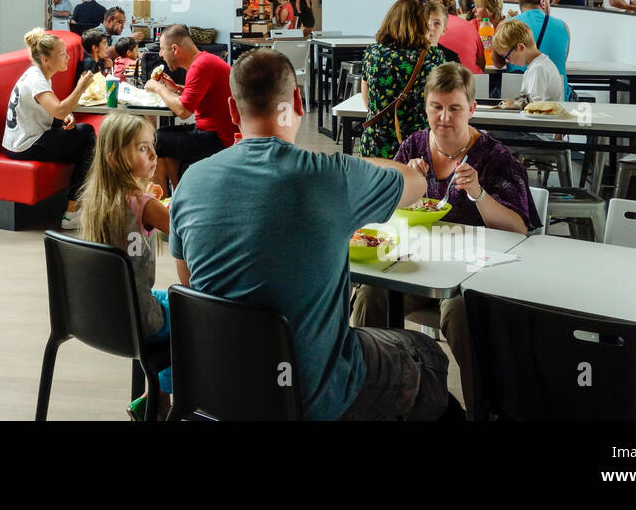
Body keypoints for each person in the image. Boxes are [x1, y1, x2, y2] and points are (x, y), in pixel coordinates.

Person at [171, 48, 450, 420]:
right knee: (426, 354)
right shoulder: (332, 176)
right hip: (313, 396)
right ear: (298, 100)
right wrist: (354, 166)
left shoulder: (191, 180)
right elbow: (416, 181)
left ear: (233, 111)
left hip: (218, 389)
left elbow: (190, 284)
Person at [352, 62, 539, 412]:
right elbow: (382, 212)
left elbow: (519, 229)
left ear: (472, 108)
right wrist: (407, 182)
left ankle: (480, 409)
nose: (444, 117)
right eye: (436, 107)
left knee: (460, 313)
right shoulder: (413, 147)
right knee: (369, 297)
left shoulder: (495, 158)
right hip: (417, 268)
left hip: (471, 274)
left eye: (454, 108)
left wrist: (479, 193)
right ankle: (372, 401)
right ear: (425, 107)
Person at [79, 114, 172, 419]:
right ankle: (160, 400)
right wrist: (155, 204)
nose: (154, 155)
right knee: (190, 313)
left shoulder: (95, 200)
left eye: (152, 146)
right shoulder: (143, 203)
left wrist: (149, 198)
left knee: (169, 300)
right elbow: (183, 230)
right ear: (116, 158)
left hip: (101, 315)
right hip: (140, 320)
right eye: (143, 148)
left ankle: (151, 396)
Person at [3, 28, 97, 230]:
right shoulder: (36, 79)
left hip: (22, 140)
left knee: (85, 143)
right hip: (24, 145)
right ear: (45, 60)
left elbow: (55, 111)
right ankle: (72, 211)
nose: (67, 57)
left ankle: (78, 205)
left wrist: (65, 117)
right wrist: (80, 87)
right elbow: (59, 109)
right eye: (62, 54)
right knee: (88, 134)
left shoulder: (40, 74)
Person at [142, 24, 235, 194]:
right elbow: (198, 96)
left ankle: (173, 198)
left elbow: (183, 111)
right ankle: (171, 196)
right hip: (216, 131)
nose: (161, 54)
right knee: (163, 138)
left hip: (219, 137)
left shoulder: (200, 66)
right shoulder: (204, 61)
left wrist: (158, 88)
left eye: (162, 49)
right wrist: (176, 89)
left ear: (175, 49)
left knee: (159, 139)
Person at [359, 0, 448, 159]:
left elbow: (366, 99)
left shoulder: (373, 52)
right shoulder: (433, 57)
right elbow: (442, 104)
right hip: (417, 146)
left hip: (375, 143)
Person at [500, 0, 572, 100]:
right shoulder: (563, 26)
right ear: (543, 3)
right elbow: (563, 59)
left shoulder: (505, 25)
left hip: (514, 92)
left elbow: (498, 63)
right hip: (558, 97)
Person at [491, 20, 564, 103]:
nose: (507, 61)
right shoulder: (534, 66)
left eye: (507, 56)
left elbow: (534, 106)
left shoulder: (539, 68)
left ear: (521, 47)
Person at [434, 0, 485, 74]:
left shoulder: (431, 29)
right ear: (457, 10)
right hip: (473, 80)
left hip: (441, 81)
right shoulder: (470, 26)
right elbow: (482, 62)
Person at [425, 0, 461, 66]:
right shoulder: (407, 55)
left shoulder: (452, 59)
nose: (431, 28)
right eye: (426, 22)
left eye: (437, 23)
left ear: (444, 30)